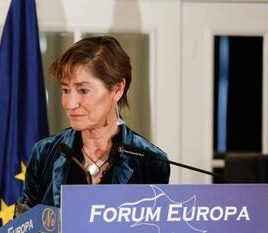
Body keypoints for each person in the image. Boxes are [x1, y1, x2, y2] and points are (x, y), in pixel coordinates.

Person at [15, 36, 170, 214]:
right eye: (66, 90)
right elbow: (24, 223)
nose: (70, 103)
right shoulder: (45, 152)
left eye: (83, 91)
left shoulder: (150, 161)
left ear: (117, 89)